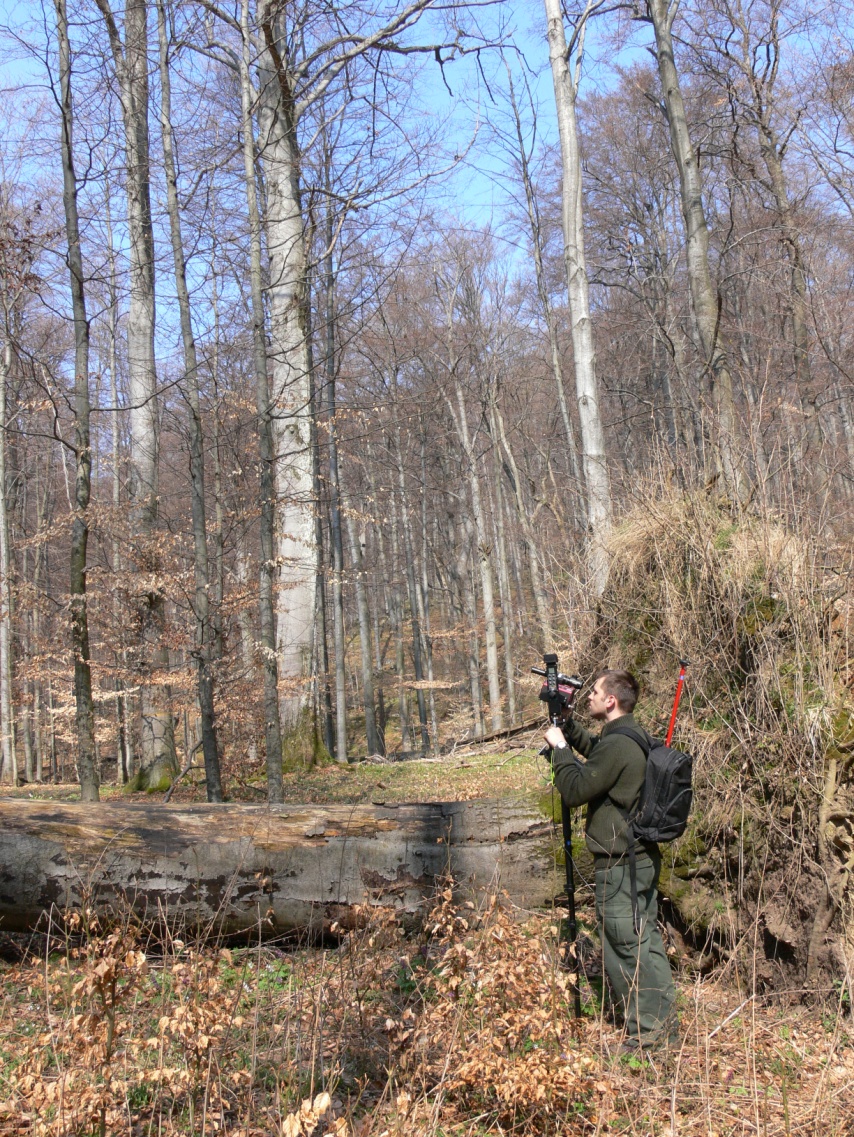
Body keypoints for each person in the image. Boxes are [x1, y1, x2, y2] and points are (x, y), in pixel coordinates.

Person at [544, 668, 677, 1051]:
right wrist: (569, 730)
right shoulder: (629, 735)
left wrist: (559, 750)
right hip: (640, 859)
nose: (588, 697)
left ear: (611, 701)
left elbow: (575, 790)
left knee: (623, 947)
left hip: (621, 866)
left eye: (595, 692)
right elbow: (601, 759)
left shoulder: (618, 745)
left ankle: (646, 1041)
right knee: (645, 941)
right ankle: (664, 1026)